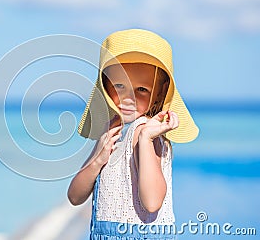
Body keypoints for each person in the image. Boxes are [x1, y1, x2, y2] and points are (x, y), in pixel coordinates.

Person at [68, 29, 199, 239]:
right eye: (119, 86)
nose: (128, 98)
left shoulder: (144, 132)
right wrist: (97, 161)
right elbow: (75, 196)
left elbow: (152, 201)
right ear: (105, 85)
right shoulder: (110, 132)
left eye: (141, 90)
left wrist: (147, 140)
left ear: (159, 92)